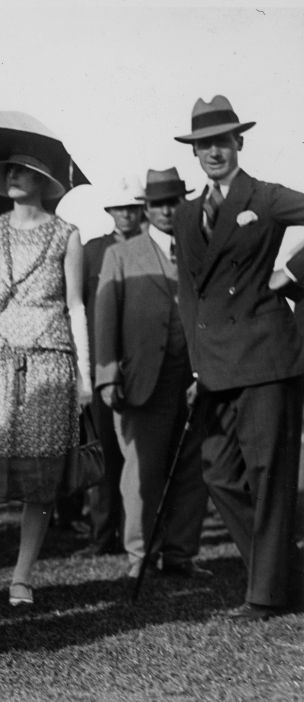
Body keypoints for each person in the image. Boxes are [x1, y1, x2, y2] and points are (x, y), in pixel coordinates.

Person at [173, 95, 304, 620]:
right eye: (205, 144)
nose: (214, 152)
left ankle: (267, 592)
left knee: (270, 472)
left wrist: (292, 273)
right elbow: (189, 296)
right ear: (195, 152)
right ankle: (284, 574)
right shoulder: (185, 213)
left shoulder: (264, 196)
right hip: (218, 365)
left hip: (268, 356)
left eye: (222, 142)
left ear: (238, 144)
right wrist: (197, 367)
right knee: (219, 474)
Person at [0, 153, 91, 607]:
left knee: (40, 477)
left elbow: (76, 306)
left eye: (23, 168)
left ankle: (22, 577)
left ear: (45, 180)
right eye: (7, 168)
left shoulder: (67, 234)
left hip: (49, 359)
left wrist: (84, 373)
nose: (12, 175)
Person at [94, 167, 210, 580]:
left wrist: (207, 371)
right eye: (158, 203)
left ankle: (180, 555)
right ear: (146, 208)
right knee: (140, 471)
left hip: (198, 380)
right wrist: (107, 375)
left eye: (174, 202)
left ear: (185, 204)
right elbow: (106, 320)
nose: (166, 210)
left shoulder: (202, 248)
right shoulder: (120, 255)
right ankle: (140, 557)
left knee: (193, 469)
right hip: (142, 380)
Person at [77, 176, 145, 557]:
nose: (126, 215)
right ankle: (103, 537)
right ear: (110, 212)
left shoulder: (153, 249)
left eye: (133, 208)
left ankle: (142, 535)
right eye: (120, 208)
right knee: (103, 453)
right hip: (102, 365)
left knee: (141, 453)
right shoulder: (93, 251)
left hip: (144, 364)